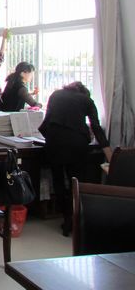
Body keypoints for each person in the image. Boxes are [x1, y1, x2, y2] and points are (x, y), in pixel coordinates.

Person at [39, 82, 112, 236]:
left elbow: (45, 124)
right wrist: (110, 155)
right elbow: (96, 128)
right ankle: (75, 218)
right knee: (76, 182)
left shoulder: (55, 95)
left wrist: (52, 138)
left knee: (58, 181)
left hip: (55, 143)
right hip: (77, 144)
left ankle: (66, 219)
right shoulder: (87, 100)